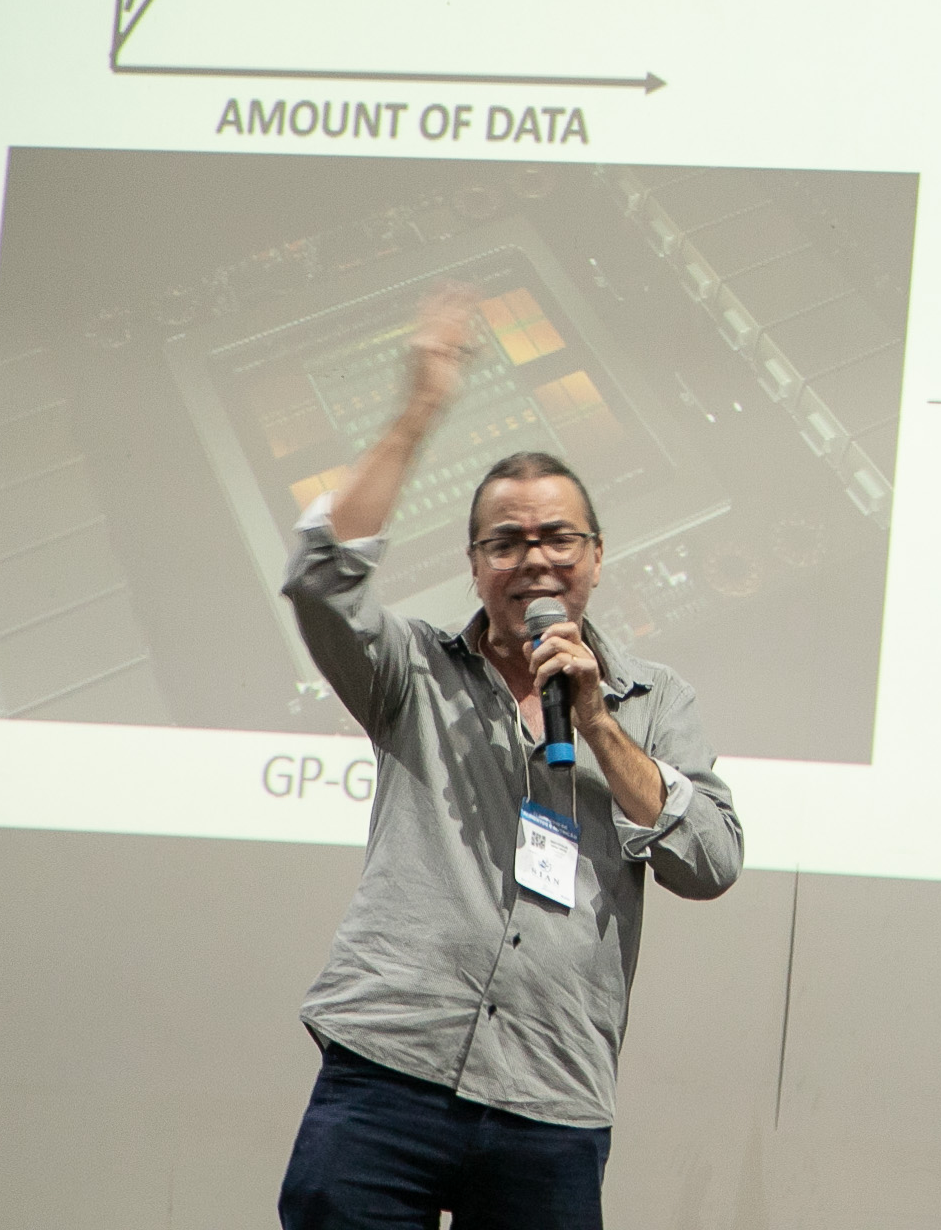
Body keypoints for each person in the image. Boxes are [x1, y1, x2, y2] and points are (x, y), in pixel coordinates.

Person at [274, 284, 743, 1230]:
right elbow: (321, 582)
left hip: (551, 1092)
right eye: (507, 542)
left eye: (559, 538)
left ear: (598, 557)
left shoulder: (654, 702)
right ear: (475, 563)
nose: (535, 559)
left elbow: (713, 862)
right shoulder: (413, 671)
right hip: (389, 1068)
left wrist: (598, 724)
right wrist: (420, 408)